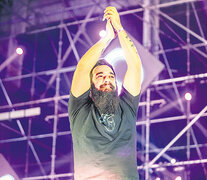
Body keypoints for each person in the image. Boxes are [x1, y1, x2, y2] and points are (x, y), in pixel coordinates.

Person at [68, 6, 142, 180]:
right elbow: (82, 68)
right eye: (100, 76)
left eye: (110, 76)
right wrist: (108, 38)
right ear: (90, 84)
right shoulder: (79, 109)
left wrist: (120, 29)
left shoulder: (128, 106)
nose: (107, 79)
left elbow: (135, 66)